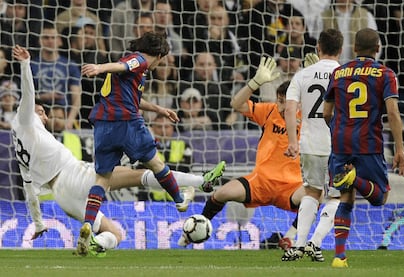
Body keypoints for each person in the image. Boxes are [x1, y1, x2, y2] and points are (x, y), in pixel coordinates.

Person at [11, 44, 225, 257]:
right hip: (75, 175)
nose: (46, 117)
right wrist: (25, 63)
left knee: (115, 234)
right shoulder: (25, 119)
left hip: (62, 197)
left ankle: (94, 241)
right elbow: (28, 93)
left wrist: (38, 224)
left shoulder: (22, 153)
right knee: (142, 173)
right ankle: (200, 182)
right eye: (41, 112)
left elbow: (30, 192)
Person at [78, 31, 195, 256]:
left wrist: (160, 109)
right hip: (127, 123)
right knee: (156, 164)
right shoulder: (138, 60)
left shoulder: (136, 73)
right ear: (159, 55)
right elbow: (123, 65)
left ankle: (88, 224)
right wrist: (100, 68)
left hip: (103, 124)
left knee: (102, 178)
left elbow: (135, 98)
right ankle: (180, 200)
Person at [177, 57, 307, 247]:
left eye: (285, 103)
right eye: (279, 101)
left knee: (315, 196)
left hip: (290, 186)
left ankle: (291, 237)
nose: (280, 107)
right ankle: (193, 233)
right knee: (221, 193)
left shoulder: (309, 119)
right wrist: (255, 82)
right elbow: (236, 104)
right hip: (261, 182)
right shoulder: (269, 111)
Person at [322, 28, 404, 268]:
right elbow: (392, 112)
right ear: (378, 48)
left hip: (341, 142)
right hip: (368, 143)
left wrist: (339, 131)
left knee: (345, 198)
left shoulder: (339, 72)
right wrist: (401, 150)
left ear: (354, 48)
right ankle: (356, 179)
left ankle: (339, 257)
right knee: (380, 197)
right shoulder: (385, 74)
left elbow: (327, 112)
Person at [282, 28, 344, 262]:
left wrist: (291, 142)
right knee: (337, 197)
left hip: (309, 143)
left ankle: (298, 245)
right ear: (340, 50)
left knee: (311, 191)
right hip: (337, 145)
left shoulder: (302, 74)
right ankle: (314, 243)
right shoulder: (344, 74)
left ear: (318, 48)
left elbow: (289, 108)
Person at [31, 22, 81, 130]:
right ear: (40, 40)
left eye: (53, 38)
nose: (50, 41)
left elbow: (76, 97)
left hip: (63, 117)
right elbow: (26, 96)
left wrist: (70, 120)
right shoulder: (31, 65)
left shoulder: (70, 65)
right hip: (37, 116)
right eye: (46, 37)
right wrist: (46, 96)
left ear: (59, 41)